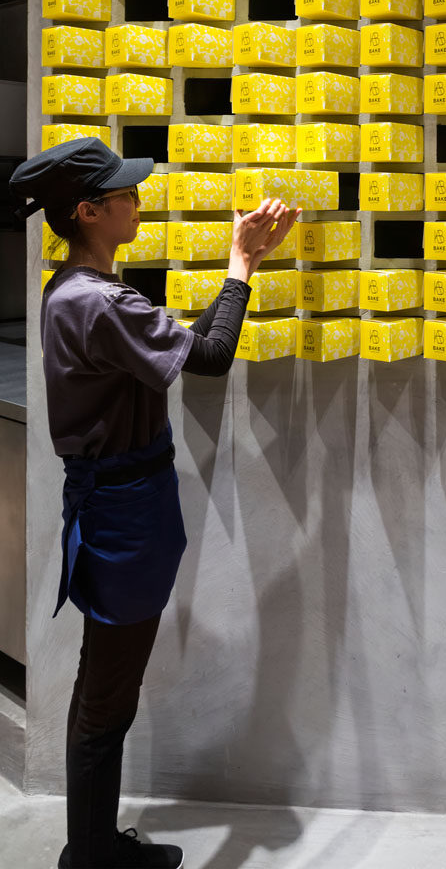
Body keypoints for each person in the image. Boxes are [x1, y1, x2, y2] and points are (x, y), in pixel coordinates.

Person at [9, 136, 300, 869]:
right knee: (108, 694)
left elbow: (174, 345)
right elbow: (208, 355)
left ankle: (94, 847)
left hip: (117, 507)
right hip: (123, 513)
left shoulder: (71, 291)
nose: (136, 199)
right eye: (123, 194)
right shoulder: (101, 302)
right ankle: (92, 856)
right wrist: (242, 264)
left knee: (104, 685)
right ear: (88, 211)